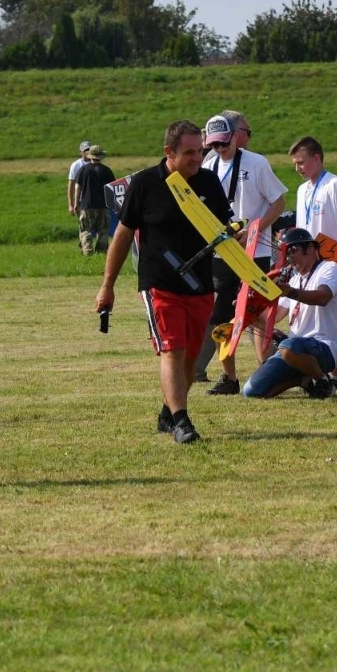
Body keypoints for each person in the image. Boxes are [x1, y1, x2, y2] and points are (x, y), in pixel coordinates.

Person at [94, 120, 232, 443]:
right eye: (189, 152)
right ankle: (182, 422)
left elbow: (223, 227)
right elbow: (122, 236)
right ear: (169, 151)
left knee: (191, 358)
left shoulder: (209, 182)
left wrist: (235, 235)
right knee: (173, 349)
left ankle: (168, 412)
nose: (197, 158)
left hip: (200, 284)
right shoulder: (144, 184)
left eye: (200, 151)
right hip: (159, 284)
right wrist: (107, 285)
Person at [195, 112, 287, 393]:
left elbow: (279, 203)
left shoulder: (257, 163)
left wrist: (254, 230)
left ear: (235, 137)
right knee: (221, 316)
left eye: (224, 143)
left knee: (257, 313)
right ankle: (229, 377)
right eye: (213, 145)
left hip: (255, 251)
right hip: (222, 253)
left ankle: (269, 373)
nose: (219, 149)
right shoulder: (208, 166)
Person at [287, 135, 337, 386]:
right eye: (295, 164)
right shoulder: (302, 190)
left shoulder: (335, 184)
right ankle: (336, 372)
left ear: (316, 158)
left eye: (301, 162)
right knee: (318, 317)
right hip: (309, 263)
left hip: (333, 261)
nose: (298, 168)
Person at [242, 228, 337, 398]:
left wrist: (291, 292)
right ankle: (303, 379)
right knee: (251, 391)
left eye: (292, 250)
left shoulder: (329, 268)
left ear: (311, 248)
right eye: (286, 252)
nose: (289, 256)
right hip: (294, 349)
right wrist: (250, 309)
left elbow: (323, 297)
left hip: (326, 346)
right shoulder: (294, 280)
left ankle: (322, 381)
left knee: (288, 346)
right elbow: (274, 316)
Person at [75, 146, 115, 255]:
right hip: (103, 206)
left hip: (87, 205)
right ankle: (101, 252)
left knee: (85, 230)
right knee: (103, 231)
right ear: (101, 156)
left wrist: (76, 203)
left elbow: (77, 187)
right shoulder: (107, 170)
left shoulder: (83, 169)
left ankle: (87, 251)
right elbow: (112, 188)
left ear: (90, 156)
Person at [66, 140, 93, 215]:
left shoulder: (96, 162)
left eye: (89, 150)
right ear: (80, 152)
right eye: (85, 150)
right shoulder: (76, 165)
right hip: (81, 200)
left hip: (95, 199)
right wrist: (71, 204)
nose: (87, 152)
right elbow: (71, 185)